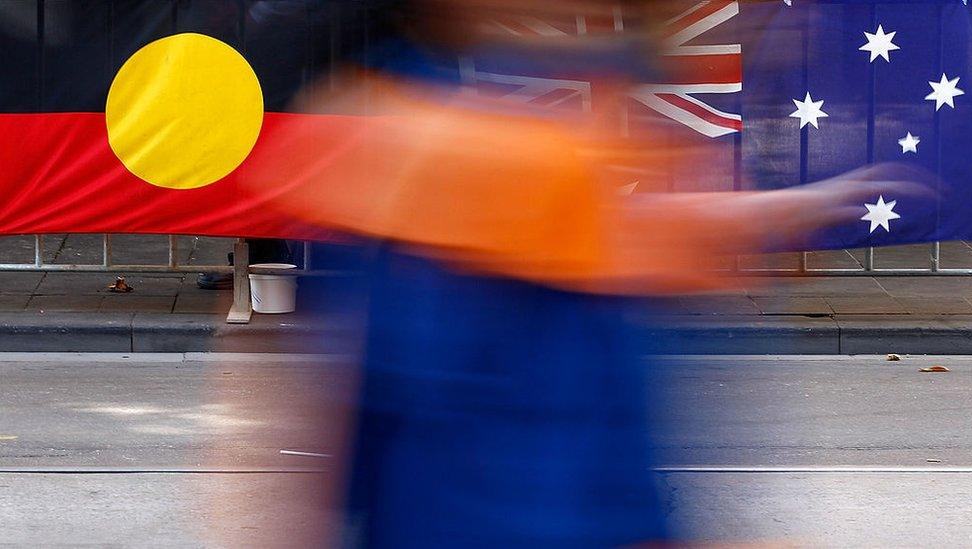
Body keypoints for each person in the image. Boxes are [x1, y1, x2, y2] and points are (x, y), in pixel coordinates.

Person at [241, 1, 929, 546]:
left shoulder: (441, 127)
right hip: (500, 515)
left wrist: (780, 210)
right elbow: (601, 227)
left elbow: (611, 229)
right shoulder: (438, 138)